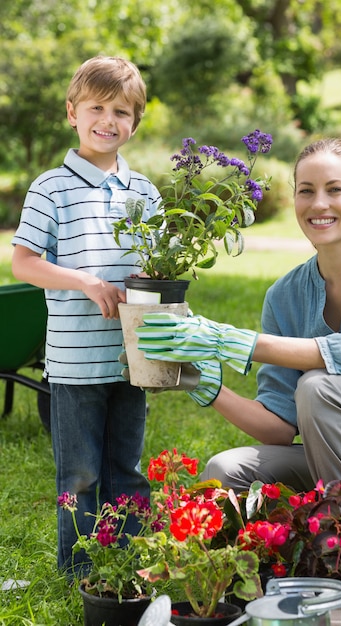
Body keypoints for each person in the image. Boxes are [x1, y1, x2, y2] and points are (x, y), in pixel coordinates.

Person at [135, 137, 341, 515]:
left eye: (334, 189)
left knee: (319, 387)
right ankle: (278, 562)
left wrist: (232, 341)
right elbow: (280, 427)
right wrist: (207, 386)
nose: (319, 203)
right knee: (228, 471)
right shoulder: (284, 295)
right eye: (307, 191)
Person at [11, 56, 162, 577]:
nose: (108, 120)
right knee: (78, 474)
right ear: (72, 113)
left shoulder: (145, 191)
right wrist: (86, 282)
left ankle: (134, 560)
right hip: (75, 362)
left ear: (135, 122)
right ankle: (81, 570)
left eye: (121, 111)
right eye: (96, 107)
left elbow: (159, 268)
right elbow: (24, 262)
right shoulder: (49, 188)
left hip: (130, 360)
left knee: (129, 468)